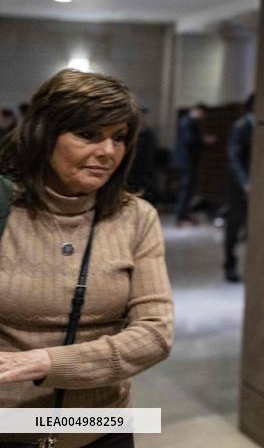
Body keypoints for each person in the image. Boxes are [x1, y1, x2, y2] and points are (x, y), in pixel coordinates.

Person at [0, 69, 173, 448]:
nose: (107, 152)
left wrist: (48, 362)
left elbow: (155, 334)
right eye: (88, 134)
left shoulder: (136, 217)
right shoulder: (5, 209)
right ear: (44, 135)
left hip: (101, 427)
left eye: (119, 138)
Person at [223, 93, 255, 282]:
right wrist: (244, 182)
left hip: (252, 185)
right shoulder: (242, 126)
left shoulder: (256, 125)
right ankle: (229, 265)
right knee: (233, 227)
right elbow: (233, 158)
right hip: (237, 186)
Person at [172, 103, 208, 226]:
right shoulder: (188, 122)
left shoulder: (186, 121)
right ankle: (181, 217)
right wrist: (203, 140)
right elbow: (190, 140)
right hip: (187, 161)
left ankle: (184, 215)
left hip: (186, 160)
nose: (202, 117)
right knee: (186, 189)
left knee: (187, 189)